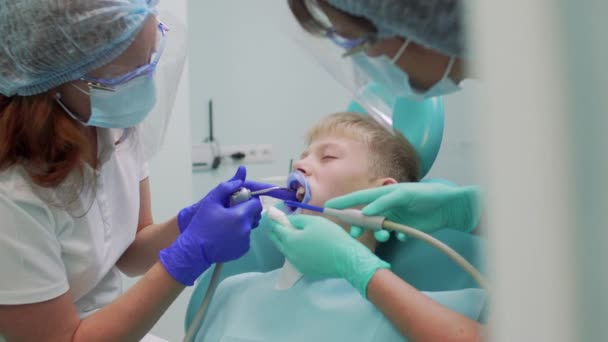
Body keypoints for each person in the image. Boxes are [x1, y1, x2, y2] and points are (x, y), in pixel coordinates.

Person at [0, 1, 288, 340]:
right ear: (55, 78)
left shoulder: (111, 125)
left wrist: (188, 224)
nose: (144, 85)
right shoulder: (10, 194)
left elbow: (131, 253)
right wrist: (190, 255)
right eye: (126, 75)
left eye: (149, 61)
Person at [195, 113, 484, 341]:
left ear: (383, 192)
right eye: (303, 155)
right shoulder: (232, 295)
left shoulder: (442, 313)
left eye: (328, 156)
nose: (300, 165)